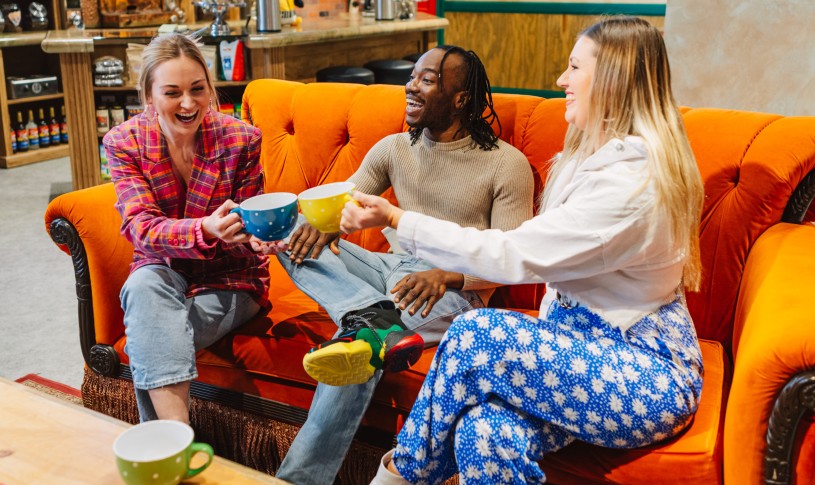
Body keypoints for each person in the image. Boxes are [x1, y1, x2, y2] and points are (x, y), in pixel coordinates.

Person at [341, 16, 705, 484]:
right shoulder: (595, 159)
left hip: (644, 375)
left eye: (574, 68)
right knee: (483, 432)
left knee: (475, 332)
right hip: (582, 352)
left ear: (612, 78)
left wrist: (396, 219)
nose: (562, 80)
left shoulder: (632, 184)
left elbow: (510, 256)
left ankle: (398, 476)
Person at [270, 46, 535, 484]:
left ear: (460, 98)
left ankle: (297, 480)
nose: (411, 86)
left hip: (453, 290)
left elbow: (511, 259)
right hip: (389, 269)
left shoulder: (506, 165)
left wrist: (448, 275)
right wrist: (323, 225)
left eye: (427, 80)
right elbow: (340, 207)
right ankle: (367, 314)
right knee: (289, 226)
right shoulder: (394, 148)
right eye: (412, 77)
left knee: (357, 349)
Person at [105, 33, 270, 424]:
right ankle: (177, 439)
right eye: (172, 92)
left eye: (198, 89)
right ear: (148, 95)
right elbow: (140, 228)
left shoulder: (241, 139)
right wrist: (206, 229)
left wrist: (259, 237)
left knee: (150, 334)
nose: (188, 103)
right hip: (160, 273)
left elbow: (250, 234)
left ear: (211, 89)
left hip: (229, 280)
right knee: (144, 288)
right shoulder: (123, 143)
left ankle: (168, 449)